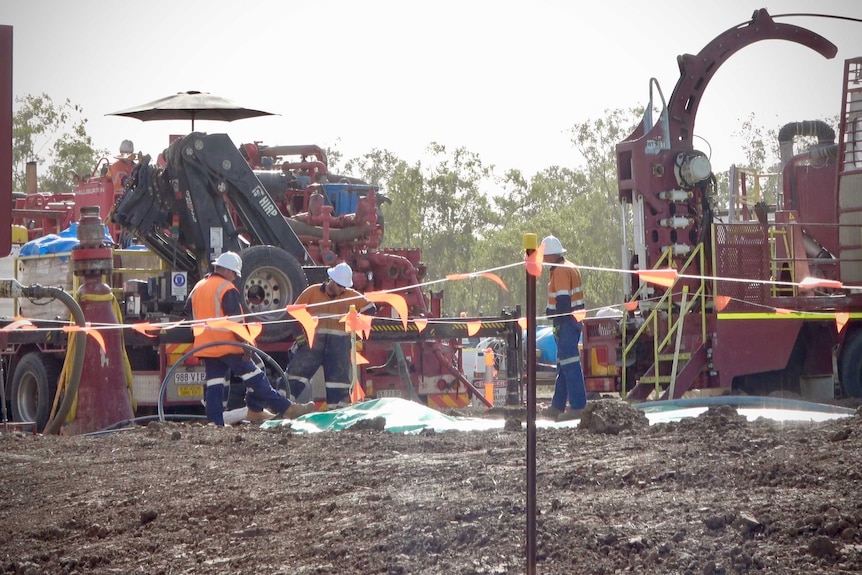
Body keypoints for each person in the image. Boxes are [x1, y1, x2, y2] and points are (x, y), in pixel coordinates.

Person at [189, 251, 314, 426]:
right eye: (234, 274)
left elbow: (192, 315)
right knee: (255, 377)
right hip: (228, 344)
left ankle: (215, 423)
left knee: (214, 385)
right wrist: (245, 345)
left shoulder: (199, 287)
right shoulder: (226, 288)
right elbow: (236, 321)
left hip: (206, 345)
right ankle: (286, 408)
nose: (234, 278)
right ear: (228, 271)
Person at [286, 262, 377, 408]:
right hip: (312, 344)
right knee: (295, 376)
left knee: (338, 384)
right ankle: (282, 406)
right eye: (340, 285)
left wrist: (357, 323)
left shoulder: (350, 295)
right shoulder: (312, 292)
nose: (342, 289)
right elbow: (294, 313)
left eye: (344, 286)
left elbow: (370, 308)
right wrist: (298, 335)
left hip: (338, 346)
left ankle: (336, 414)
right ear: (331, 280)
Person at [541, 235, 587, 420]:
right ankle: (557, 406)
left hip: (566, 322)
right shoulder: (570, 267)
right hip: (572, 321)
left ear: (551, 255)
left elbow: (563, 301)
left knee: (569, 364)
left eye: (544, 256)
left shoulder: (560, 271)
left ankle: (578, 406)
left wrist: (553, 314)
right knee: (563, 365)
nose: (543, 260)